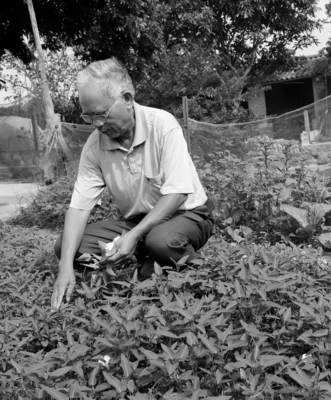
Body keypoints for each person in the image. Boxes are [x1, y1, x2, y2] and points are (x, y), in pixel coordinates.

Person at [50, 57, 213, 310]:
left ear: (127, 99)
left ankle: (193, 272)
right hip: (138, 222)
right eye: (88, 116)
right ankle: (145, 256)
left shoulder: (162, 125)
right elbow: (79, 207)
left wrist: (134, 235)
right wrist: (65, 269)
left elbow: (178, 194)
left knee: (161, 241)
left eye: (101, 113)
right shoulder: (95, 146)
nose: (97, 124)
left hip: (187, 216)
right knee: (66, 247)